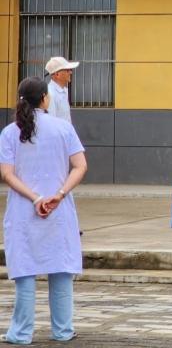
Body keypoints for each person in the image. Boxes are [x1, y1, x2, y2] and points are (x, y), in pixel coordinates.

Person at [0, 76, 87, 344]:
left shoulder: (10, 132)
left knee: (25, 272)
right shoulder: (63, 128)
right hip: (58, 211)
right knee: (60, 270)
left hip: (23, 210)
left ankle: (21, 333)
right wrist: (59, 195)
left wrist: (35, 198)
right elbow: (80, 166)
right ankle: (63, 330)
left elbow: (7, 174)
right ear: (45, 99)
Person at [44, 56, 79, 126]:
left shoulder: (64, 90)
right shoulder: (50, 94)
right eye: (67, 70)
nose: (70, 72)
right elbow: (51, 122)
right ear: (57, 74)